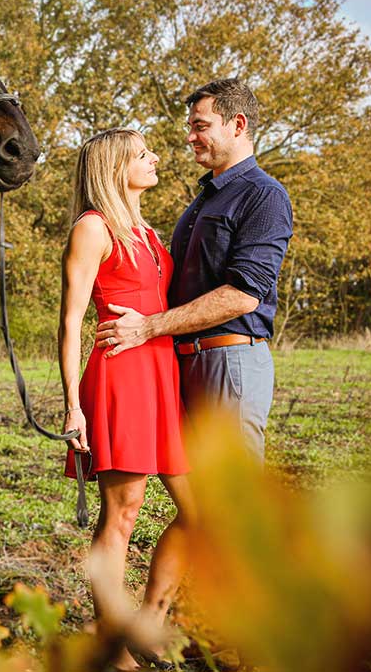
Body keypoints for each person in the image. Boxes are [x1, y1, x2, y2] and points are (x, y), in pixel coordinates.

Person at [94, 78, 293, 463]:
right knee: (199, 507)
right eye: (190, 127)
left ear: (238, 125)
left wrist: (149, 327)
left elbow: (242, 295)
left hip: (228, 362)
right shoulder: (206, 198)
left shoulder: (263, 195)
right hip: (186, 362)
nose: (190, 137)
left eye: (200, 126)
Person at [59, 129, 195, 670]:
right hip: (120, 376)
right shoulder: (93, 228)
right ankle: (111, 645)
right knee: (122, 515)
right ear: (116, 166)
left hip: (161, 373)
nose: (155, 158)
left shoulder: (146, 229)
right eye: (143, 154)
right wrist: (73, 404)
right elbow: (71, 323)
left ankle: (147, 621)